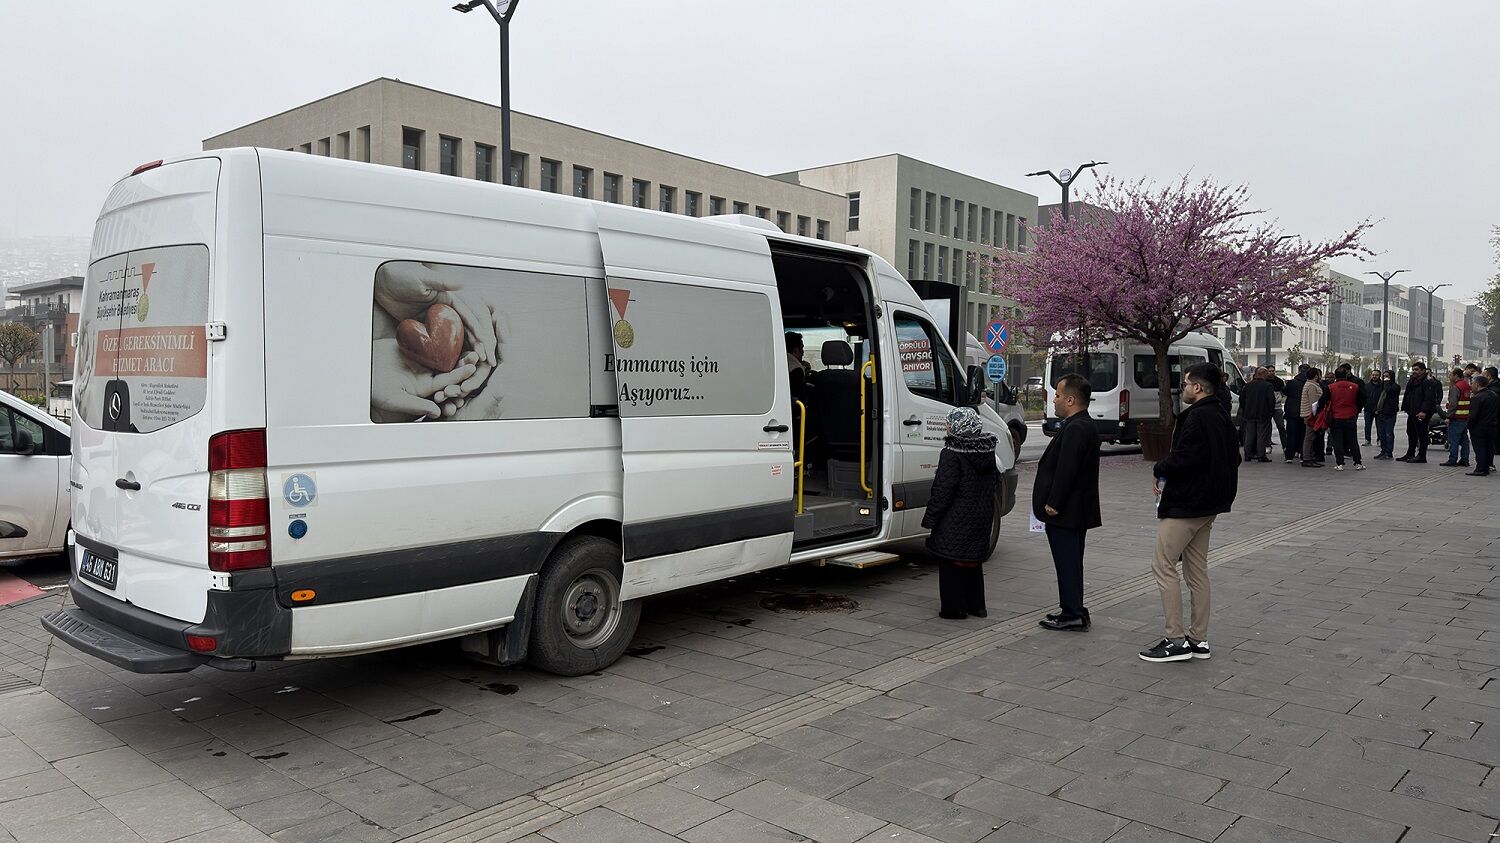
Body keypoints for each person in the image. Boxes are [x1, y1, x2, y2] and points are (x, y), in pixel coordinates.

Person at [1141, 362, 1240, 663]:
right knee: (1197, 570)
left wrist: (1160, 469)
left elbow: (1185, 459)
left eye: (1185, 384)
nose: (1182, 388)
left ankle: (1175, 640)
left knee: (1163, 565)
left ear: (1197, 387)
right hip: (1210, 505)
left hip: (1187, 505)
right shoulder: (1221, 414)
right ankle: (1198, 638)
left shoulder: (1197, 417)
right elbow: (1233, 458)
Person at [1033, 374, 1102, 632]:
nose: (1055, 400)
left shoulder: (1076, 428)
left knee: (1067, 561)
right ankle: (1073, 608)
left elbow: (1067, 469)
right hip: (1074, 510)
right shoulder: (1081, 425)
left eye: (1059, 395)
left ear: (1071, 399)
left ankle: (1072, 613)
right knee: (1071, 561)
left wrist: (1053, 502)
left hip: (1066, 511)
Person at [922, 407, 998, 620]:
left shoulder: (952, 453)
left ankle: (954, 609)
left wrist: (931, 518)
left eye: (949, 422)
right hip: (980, 518)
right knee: (972, 562)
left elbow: (943, 490)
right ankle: (977, 606)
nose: (946, 426)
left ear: (958, 426)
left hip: (955, 518)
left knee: (950, 561)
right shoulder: (987, 451)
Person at [1398, 362, 1441, 463]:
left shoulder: (1427, 382)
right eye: (1413, 369)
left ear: (1423, 370)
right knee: (1411, 432)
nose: (1414, 371)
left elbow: (1429, 398)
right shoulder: (1413, 380)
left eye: (1416, 369)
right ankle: (1410, 453)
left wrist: (1424, 411)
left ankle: (1422, 455)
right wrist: (1406, 408)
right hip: (1412, 411)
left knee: (1421, 434)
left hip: (1421, 412)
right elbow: (1408, 395)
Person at [1325, 369, 1365, 471]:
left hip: (1336, 417)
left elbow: (1323, 401)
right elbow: (1362, 399)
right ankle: (1358, 463)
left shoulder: (1330, 387)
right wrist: (1356, 409)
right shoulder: (1355, 386)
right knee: (1353, 441)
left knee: (1337, 441)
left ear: (1336, 376)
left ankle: (1340, 463)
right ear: (1346, 375)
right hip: (1351, 416)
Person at [1239, 367, 1276, 462]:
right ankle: (1261, 455)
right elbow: (1271, 401)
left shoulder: (1248, 385)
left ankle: (1247, 454)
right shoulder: (1268, 386)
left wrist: (1245, 409)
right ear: (1263, 374)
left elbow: (1241, 399)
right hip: (1263, 414)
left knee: (1249, 435)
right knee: (1261, 435)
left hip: (1249, 413)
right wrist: (1270, 412)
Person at [1439, 368, 1473, 468]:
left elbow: (1453, 404)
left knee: (1454, 440)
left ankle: (1452, 459)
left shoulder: (1456, 387)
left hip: (1456, 417)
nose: (1449, 376)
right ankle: (1464, 460)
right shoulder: (1467, 385)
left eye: (1450, 374)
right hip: (1465, 417)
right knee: (1464, 440)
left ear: (1456, 376)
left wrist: (1448, 417)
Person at [1469, 375, 1497, 477]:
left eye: (1472, 383)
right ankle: (1488, 465)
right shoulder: (1493, 395)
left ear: (1477, 384)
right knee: (1489, 447)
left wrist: (1469, 425)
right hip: (1492, 425)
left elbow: (1473, 415)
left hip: (1479, 427)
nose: (1471, 386)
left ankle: (1481, 468)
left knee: (1480, 448)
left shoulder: (1478, 398)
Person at [1282, 365, 1309, 463]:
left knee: (1291, 434)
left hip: (1292, 411)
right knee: (1304, 434)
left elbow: (1284, 391)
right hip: (1305, 411)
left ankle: (1289, 456)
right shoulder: (1309, 383)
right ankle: (1302, 454)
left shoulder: (1292, 382)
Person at [1372, 369, 1401, 459]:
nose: (1385, 378)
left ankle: (1389, 452)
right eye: (1384, 376)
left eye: (1387, 376)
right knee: (1381, 434)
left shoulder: (1395, 386)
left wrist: (1387, 382)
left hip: (1390, 413)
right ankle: (1383, 450)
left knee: (1388, 433)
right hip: (1381, 412)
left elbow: (1389, 390)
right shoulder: (1382, 386)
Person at [1299, 367, 1324, 468]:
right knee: (1309, 437)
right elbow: (1314, 403)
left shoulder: (1310, 384)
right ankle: (1307, 458)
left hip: (1309, 414)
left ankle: (1309, 457)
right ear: (1316, 375)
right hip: (1311, 415)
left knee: (1311, 436)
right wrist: (1315, 415)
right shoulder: (1312, 386)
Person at [1363, 368, 1382, 445]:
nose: (1374, 376)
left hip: (1379, 409)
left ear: (1379, 376)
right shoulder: (1366, 386)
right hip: (1368, 409)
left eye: (1376, 375)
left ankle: (1379, 440)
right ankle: (1367, 440)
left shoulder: (1383, 386)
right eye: (1373, 375)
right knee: (1367, 425)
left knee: (1379, 426)